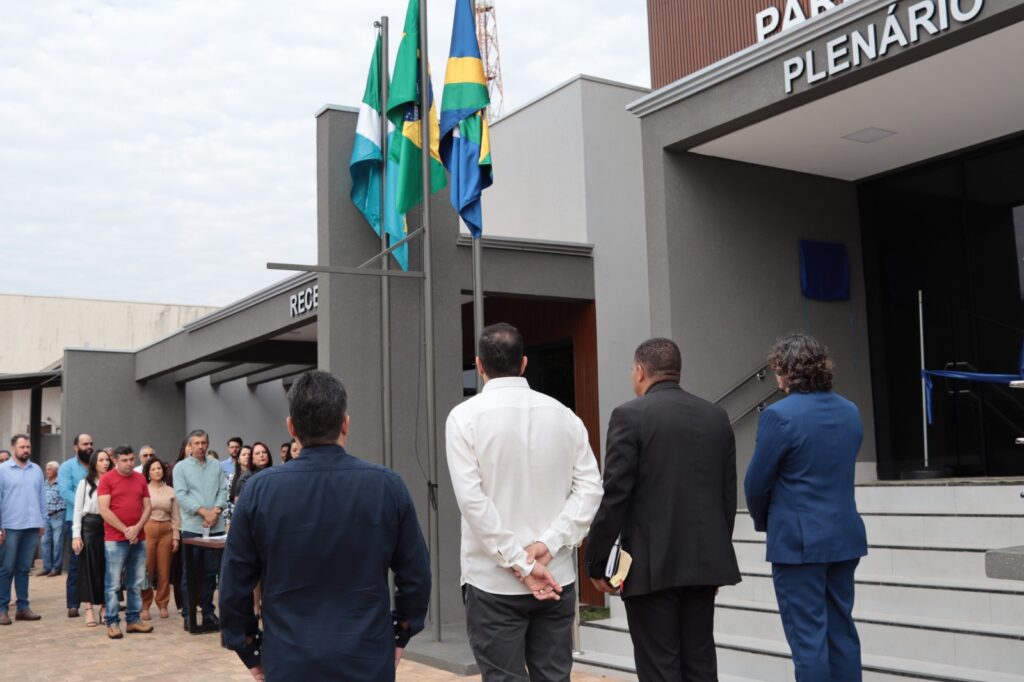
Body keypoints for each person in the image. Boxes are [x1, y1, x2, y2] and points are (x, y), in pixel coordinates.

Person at [221, 370, 431, 680]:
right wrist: (401, 633)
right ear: (345, 423)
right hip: (367, 657)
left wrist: (249, 648)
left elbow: (234, 585)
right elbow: (416, 575)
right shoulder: (388, 486)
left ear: (291, 427)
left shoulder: (258, 491)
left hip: (289, 658)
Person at [445, 323, 604, 679]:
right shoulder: (566, 417)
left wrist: (521, 562)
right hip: (556, 577)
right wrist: (549, 543)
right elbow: (591, 489)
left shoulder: (464, 418)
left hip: (493, 581)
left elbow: (473, 503)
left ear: (479, 365)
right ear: (524, 363)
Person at [585, 338, 741, 681]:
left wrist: (595, 561)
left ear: (640, 371)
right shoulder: (716, 416)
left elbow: (615, 495)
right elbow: (726, 496)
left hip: (651, 568)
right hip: (703, 564)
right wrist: (715, 557)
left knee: (660, 667)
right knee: (700, 665)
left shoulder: (629, 416)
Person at [744, 333, 868, 681]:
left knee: (808, 639)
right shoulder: (850, 411)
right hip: (844, 536)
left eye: (777, 371)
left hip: (798, 544)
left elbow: (756, 483)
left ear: (787, 371)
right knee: (841, 632)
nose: (776, 378)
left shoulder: (779, 416)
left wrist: (764, 520)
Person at [173, 429, 228, 627]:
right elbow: (181, 495)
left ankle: (207, 612)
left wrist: (216, 510)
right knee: (191, 573)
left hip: (215, 527)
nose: (200, 447)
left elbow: (223, 490)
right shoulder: (180, 468)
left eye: (203, 442)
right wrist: (204, 512)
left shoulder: (216, 465)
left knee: (210, 573)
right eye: (196, 443)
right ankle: (189, 615)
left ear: (208, 443)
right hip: (193, 527)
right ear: (190, 445)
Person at [98, 445, 154, 639]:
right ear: (116, 461)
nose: (129, 463)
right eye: (124, 460)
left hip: (139, 537)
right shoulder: (107, 479)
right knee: (113, 583)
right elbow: (104, 510)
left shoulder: (140, 478)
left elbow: (148, 507)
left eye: (131, 459)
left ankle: (133, 620)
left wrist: (137, 528)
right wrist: (126, 530)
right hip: (115, 539)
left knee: (136, 581)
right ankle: (112, 622)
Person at [0, 434, 46, 625]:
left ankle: (23, 608)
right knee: (6, 569)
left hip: (32, 527)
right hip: (10, 527)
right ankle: (2, 609)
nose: (26, 450)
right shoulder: (2, 470)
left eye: (28, 446)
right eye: (22, 447)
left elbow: (41, 496)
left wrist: (42, 521)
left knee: (23, 569)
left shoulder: (36, 470)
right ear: (13, 448)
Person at [72, 449, 111, 627]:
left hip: (109, 527)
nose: (105, 463)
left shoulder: (112, 481)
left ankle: (104, 608)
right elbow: (77, 510)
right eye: (101, 460)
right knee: (88, 568)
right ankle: (88, 609)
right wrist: (76, 535)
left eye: (107, 459)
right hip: (89, 527)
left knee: (106, 568)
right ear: (95, 463)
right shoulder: (85, 483)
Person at [58, 433, 93, 618]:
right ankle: (73, 604)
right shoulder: (67, 467)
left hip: (96, 522)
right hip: (75, 521)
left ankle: (100, 601)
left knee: (97, 562)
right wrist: (86, 505)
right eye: (85, 443)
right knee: (75, 564)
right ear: (75, 447)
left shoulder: (96, 465)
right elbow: (64, 491)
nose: (89, 446)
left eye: (91, 443)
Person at [141, 459, 180, 621]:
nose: (157, 471)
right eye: (153, 469)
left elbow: (176, 516)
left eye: (159, 468)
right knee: (146, 570)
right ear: (148, 473)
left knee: (164, 570)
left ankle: (163, 604)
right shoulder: (143, 489)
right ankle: (145, 605)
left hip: (166, 530)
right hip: (148, 529)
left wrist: (176, 536)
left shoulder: (171, 491)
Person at [40, 461, 66, 577]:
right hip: (46, 517)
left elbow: (65, 499)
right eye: (46, 469)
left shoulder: (61, 483)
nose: (47, 471)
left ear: (56, 471)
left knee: (57, 543)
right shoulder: (45, 483)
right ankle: (47, 567)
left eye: (49, 469)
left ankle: (56, 568)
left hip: (58, 516)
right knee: (44, 542)